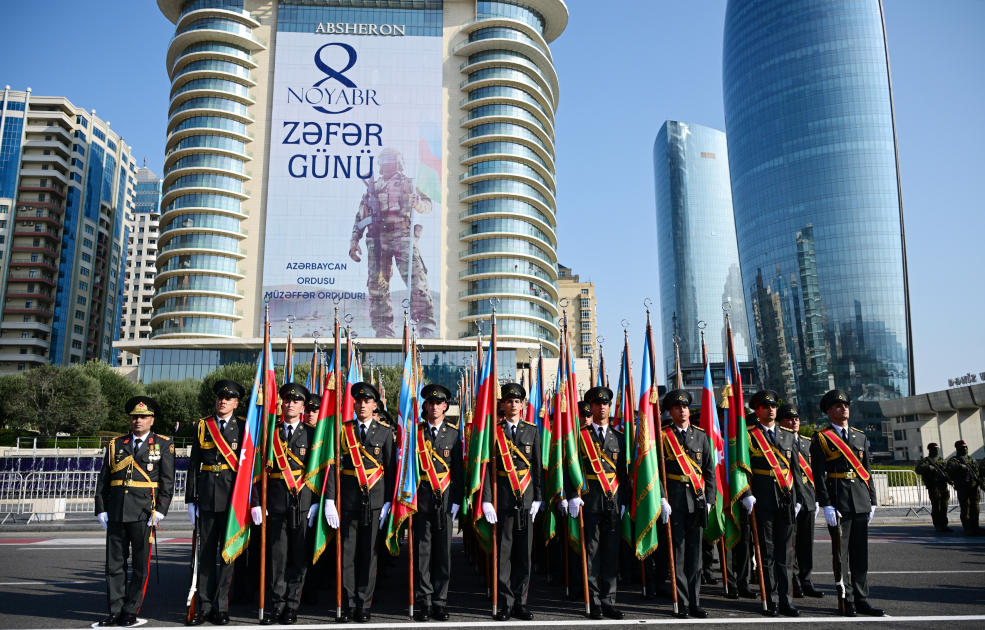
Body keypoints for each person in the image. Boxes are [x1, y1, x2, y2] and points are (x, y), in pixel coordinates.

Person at [94, 396, 175, 627]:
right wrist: (100, 507)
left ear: (152, 420)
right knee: (114, 565)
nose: (137, 420)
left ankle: (131, 609)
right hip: (117, 511)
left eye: (142, 417)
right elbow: (104, 479)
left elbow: (168, 480)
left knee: (140, 566)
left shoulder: (163, 444)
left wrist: (162, 508)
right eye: (134, 417)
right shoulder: (116, 444)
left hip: (143, 512)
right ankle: (115, 609)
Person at [324, 382, 397, 623]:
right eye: (358, 401)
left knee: (369, 554)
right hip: (348, 500)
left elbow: (390, 469)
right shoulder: (342, 430)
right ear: (353, 404)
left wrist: (388, 502)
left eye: (367, 401)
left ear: (375, 405)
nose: (362, 404)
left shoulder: (385, 432)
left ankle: (363, 604)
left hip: (375, 502)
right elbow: (333, 468)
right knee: (347, 553)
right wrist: (331, 500)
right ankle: (347, 603)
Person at [348, 147, 436, 337]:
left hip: (402, 236)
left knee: (416, 281)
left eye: (390, 159)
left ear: (399, 162)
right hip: (377, 239)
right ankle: (384, 330)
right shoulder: (372, 188)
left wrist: (417, 203)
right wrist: (354, 241)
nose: (386, 164)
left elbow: (428, 204)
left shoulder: (408, 184)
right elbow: (360, 217)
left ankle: (426, 326)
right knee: (377, 286)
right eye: (383, 160)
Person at [811, 389, 884, 617]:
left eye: (846, 405)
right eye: (838, 405)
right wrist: (826, 504)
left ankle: (862, 598)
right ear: (829, 411)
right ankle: (846, 598)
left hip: (860, 500)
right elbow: (818, 474)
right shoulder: (821, 438)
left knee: (860, 553)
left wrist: (872, 500)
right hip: (838, 500)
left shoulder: (859, 436)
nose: (844, 408)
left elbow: (867, 472)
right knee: (841, 555)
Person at [252, 383, 318, 625]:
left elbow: (320, 471)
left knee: (299, 556)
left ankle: (292, 605)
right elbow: (259, 470)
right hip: (276, 502)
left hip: (303, 503)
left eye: (296, 401)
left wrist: (318, 502)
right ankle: (277, 605)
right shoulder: (270, 432)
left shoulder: (312, 434)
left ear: (303, 406)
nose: (290, 404)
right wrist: (258, 501)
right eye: (287, 400)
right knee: (277, 557)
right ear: (281, 404)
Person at [186, 380, 247, 625]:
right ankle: (206, 606)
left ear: (236, 403)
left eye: (228, 398)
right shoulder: (204, 425)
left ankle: (222, 606)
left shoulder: (243, 426)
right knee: (207, 554)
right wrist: (191, 500)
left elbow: (248, 466)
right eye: (220, 397)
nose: (223, 401)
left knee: (228, 556)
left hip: (233, 499)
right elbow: (194, 464)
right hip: (208, 498)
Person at [482, 383, 544, 621]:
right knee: (503, 555)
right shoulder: (493, 431)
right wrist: (487, 499)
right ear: (503, 405)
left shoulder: (532, 431)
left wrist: (538, 497)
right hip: (503, 501)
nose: (512, 404)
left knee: (523, 555)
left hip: (526, 500)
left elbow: (538, 468)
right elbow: (487, 469)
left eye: (517, 401)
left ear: (523, 405)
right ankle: (505, 602)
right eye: (508, 401)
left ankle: (521, 601)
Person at [565, 386, 627, 620]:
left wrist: (625, 501)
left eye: (605, 404)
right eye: (596, 404)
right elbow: (568, 466)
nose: (601, 407)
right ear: (589, 407)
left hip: (613, 501)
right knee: (591, 552)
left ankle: (609, 600)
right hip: (588, 500)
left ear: (610, 407)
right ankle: (594, 601)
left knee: (611, 553)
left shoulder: (619, 438)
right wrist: (572, 495)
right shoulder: (579, 436)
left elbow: (622, 471)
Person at [743, 390, 802, 617]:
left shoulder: (788, 435)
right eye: (765, 406)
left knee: (786, 554)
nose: (771, 409)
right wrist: (747, 494)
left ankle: (787, 600)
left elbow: (795, 470)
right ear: (757, 410)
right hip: (763, 498)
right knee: (766, 553)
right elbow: (742, 468)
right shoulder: (749, 435)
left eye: (774, 406)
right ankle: (771, 599)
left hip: (786, 499)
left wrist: (799, 500)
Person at [659, 389, 716, 619]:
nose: (681, 410)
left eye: (684, 407)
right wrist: (662, 497)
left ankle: (695, 601)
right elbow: (657, 470)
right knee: (678, 554)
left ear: (688, 410)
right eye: (676, 407)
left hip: (698, 500)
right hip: (674, 500)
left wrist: (710, 500)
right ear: (670, 411)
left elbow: (710, 472)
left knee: (696, 555)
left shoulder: (701, 436)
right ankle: (681, 602)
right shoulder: (663, 435)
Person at [413, 384, 464, 621]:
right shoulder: (415, 433)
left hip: (445, 501)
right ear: (425, 406)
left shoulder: (453, 434)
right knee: (423, 553)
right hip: (421, 500)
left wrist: (456, 500)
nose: (434, 407)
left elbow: (458, 471)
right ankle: (424, 601)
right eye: (430, 403)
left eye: (439, 403)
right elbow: (409, 471)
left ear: (445, 406)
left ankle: (440, 601)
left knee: (443, 554)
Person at [778, 403, 823, 599]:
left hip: (809, 500)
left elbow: (818, 473)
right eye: (789, 418)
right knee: (791, 544)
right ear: (781, 422)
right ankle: (793, 581)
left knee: (806, 545)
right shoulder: (778, 442)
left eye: (796, 419)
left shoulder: (807, 443)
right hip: (790, 500)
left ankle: (806, 580)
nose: (794, 422)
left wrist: (819, 498)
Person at [946, 440, 984, 536]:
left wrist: (980, 482)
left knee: (975, 508)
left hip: (974, 488)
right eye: (963, 447)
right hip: (963, 488)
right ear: (958, 448)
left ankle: (975, 527)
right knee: (966, 508)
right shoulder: (954, 460)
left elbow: (978, 473)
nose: (965, 448)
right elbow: (949, 470)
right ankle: (967, 528)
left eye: (966, 446)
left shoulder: (972, 459)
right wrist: (960, 466)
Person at [915, 443, 952, 532]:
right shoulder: (927, 461)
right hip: (934, 487)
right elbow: (918, 469)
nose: (936, 449)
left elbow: (948, 471)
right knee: (936, 507)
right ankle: (937, 524)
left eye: (937, 448)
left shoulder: (942, 461)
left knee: (944, 506)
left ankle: (944, 524)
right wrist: (929, 468)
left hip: (943, 486)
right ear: (930, 449)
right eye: (934, 448)